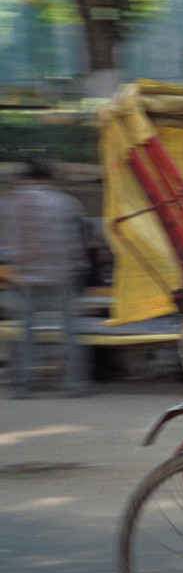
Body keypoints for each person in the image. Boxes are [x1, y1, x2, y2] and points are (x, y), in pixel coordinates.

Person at [0, 159, 89, 397]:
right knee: (70, 331)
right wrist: (79, 266)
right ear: (49, 176)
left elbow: (6, 242)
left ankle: (20, 386)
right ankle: (75, 385)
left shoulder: (9, 204)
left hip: (23, 277)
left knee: (24, 332)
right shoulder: (65, 203)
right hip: (61, 275)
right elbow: (75, 244)